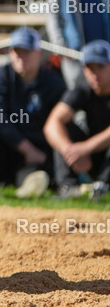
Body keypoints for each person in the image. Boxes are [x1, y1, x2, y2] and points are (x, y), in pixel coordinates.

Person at [0, 27, 64, 197]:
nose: (21, 57)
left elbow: (61, 121)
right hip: (4, 148)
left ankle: (34, 181)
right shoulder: (2, 75)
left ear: (39, 53)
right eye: (17, 51)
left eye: (26, 51)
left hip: (36, 154)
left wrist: (37, 152)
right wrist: (25, 147)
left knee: (34, 176)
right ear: (10, 53)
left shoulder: (54, 84)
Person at [44, 39, 110, 201]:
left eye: (100, 67)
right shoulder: (82, 91)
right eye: (89, 68)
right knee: (63, 129)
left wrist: (86, 148)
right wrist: (70, 151)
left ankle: (104, 186)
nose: (95, 74)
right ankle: (68, 187)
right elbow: (51, 124)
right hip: (90, 157)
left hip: (99, 153)